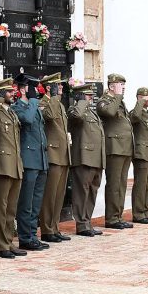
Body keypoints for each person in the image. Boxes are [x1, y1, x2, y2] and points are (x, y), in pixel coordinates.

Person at [12, 73, 49, 251]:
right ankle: (25, 237)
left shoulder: (33, 106)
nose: (34, 91)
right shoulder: (17, 107)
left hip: (40, 159)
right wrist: (33, 101)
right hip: (28, 160)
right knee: (26, 202)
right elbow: (26, 120)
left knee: (36, 202)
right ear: (22, 89)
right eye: (30, 87)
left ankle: (33, 235)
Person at [0, 78, 26, 259]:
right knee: (0, 207)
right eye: (8, 92)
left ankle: (9, 242)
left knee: (11, 207)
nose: (13, 94)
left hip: (15, 165)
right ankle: (0, 245)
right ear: (1, 93)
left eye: (12, 91)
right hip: (2, 165)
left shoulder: (11, 113)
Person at [96, 74, 134, 229]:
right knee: (114, 184)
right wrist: (117, 95)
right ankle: (111, 218)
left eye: (124, 85)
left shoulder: (119, 101)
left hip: (124, 147)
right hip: (114, 147)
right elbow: (110, 113)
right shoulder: (104, 101)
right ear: (112, 86)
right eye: (120, 85)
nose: (123, 88)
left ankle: (118, 216)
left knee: (122, 184)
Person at [67, 83, 105, 237]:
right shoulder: (74, 110)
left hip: (95, 158)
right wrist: (81, 102)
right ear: (81, 96)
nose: (91, 98)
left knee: (92, 192)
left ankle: (87, 221)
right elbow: (76, 116)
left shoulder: (91, 112)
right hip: (83, 159)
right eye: (87, 95)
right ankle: (81, 224)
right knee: (81, 192)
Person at [40, 73, 72, 243]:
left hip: (63, 154)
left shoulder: (58, 104)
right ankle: (46, 229)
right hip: (53, 154)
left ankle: (55, 227)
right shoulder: (45, 103)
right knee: (50, 195)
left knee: (59, 195)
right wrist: (52, 96)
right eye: (57, 86)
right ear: (48, 88)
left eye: (60, 86)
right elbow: (49, 117)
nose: (60, 88)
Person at [130, 87, 148, 224]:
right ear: (139, 97)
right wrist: (140, 103)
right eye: (147, 97)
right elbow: (134, 117)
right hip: (141, 153)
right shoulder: (136, 112)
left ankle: (144, 211)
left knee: (147, 185)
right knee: (140, 185)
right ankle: (138, 214)